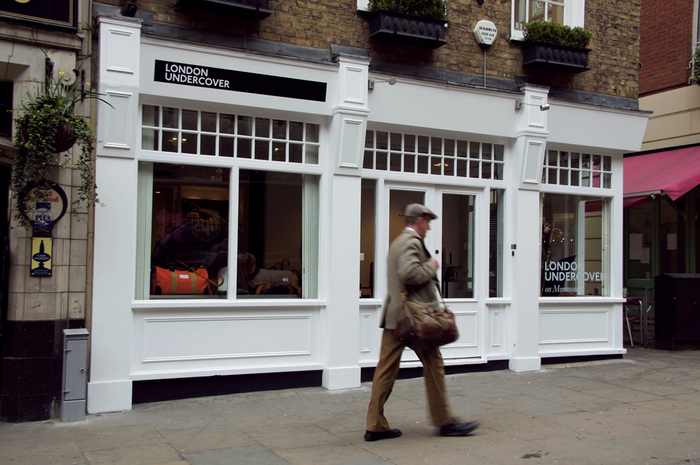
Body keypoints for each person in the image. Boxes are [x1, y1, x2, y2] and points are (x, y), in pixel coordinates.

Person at [364, 203, 480, 441]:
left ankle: (375, 425)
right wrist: (432, 265)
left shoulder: (397, 242)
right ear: (420, 221)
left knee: (385, 371)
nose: (428, 227)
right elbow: (409, 273)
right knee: (434, 367)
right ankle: (444, 421)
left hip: (396, 317)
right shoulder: (412, 242)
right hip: (417, 320)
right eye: (427, 222)